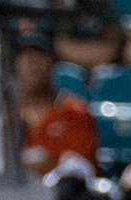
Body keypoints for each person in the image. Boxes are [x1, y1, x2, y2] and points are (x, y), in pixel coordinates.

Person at [12, 23, 98, 179]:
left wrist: (45, 163)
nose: (31, 61)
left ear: (53, 61)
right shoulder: (4, 114)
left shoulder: (75, 112)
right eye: (24, 54)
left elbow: (80, 170)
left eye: (39, 53)